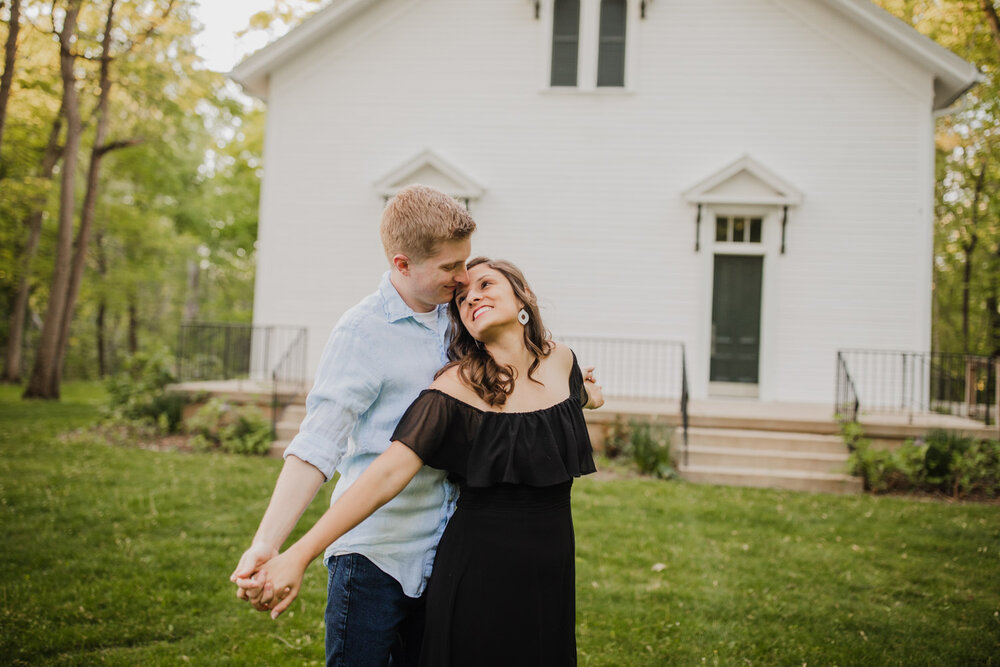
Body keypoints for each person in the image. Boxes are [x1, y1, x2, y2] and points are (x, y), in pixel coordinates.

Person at [248, 256, 605, 667]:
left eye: (486, 285)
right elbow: (385, 474)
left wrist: (595, 396)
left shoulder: (562, 360)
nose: (472, 298)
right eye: (463, 299)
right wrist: (299, 553)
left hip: (551, 564)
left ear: (522, 296)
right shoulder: (458, 387)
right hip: (479, 570)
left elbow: (576, 398)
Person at [230, 184, 476, 667]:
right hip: (373, 556)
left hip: (447, 549)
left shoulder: (462, 316)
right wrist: (268, 543)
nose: (464, 277)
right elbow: (318, 444)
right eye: (450, 267)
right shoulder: (361, 333)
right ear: (403, 265)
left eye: (465, 262)